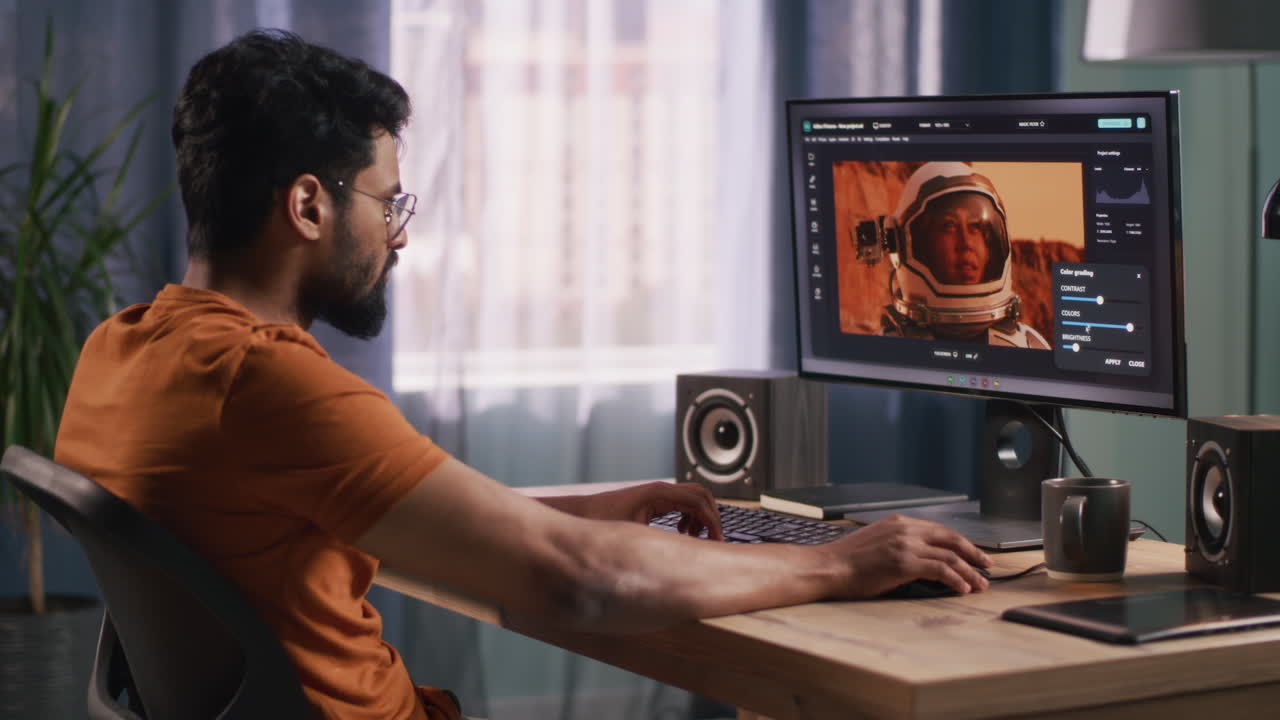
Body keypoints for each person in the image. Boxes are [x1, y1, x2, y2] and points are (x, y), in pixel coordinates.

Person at [53, 30, 991, 720]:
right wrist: (837, 561)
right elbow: (578, 585)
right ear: (306, 204)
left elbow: (403, 514)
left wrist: (586, 510)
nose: (403, 231)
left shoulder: (125, 349)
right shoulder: (269, 386)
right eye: (389, 201)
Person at [878, 161, 1051, 348]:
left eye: (976, 227)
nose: (966, 243)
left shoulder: (1030, 345)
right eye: (949, 226)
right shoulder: (883, 350)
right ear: (909, 244)